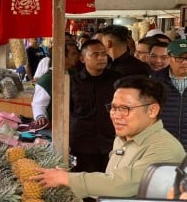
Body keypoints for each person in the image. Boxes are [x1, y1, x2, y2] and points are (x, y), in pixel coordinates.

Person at [32, 75, 185, 200]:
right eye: (113, 107)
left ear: (152, 110)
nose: (116, 115)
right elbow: (109, 180)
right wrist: (66, 180)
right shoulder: (123, 138)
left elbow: (123, 185)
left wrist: (68, 179)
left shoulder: (165, 148)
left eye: (125, 108)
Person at [69, 40, 121, 178]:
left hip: (111, 142)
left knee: (110, 184)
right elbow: (68, 111)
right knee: (85, 186)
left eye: (104, 54)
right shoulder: (73, 82)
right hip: (82, 144)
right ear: (82, 58)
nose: (101, 58)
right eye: (95, 54)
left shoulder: (116, 81)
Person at [31, 42, 80, 129]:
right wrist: (41, 117)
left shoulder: (74, 73)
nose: (77, 56)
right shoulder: (47, 80)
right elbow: (38, 105)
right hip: (55, 127)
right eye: (73, 54)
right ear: (62, 57)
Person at [152, 39, 187, 150]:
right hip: (163, 148)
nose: (185, 62)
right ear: (169, 57)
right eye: (180, 58)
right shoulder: (155, 81)